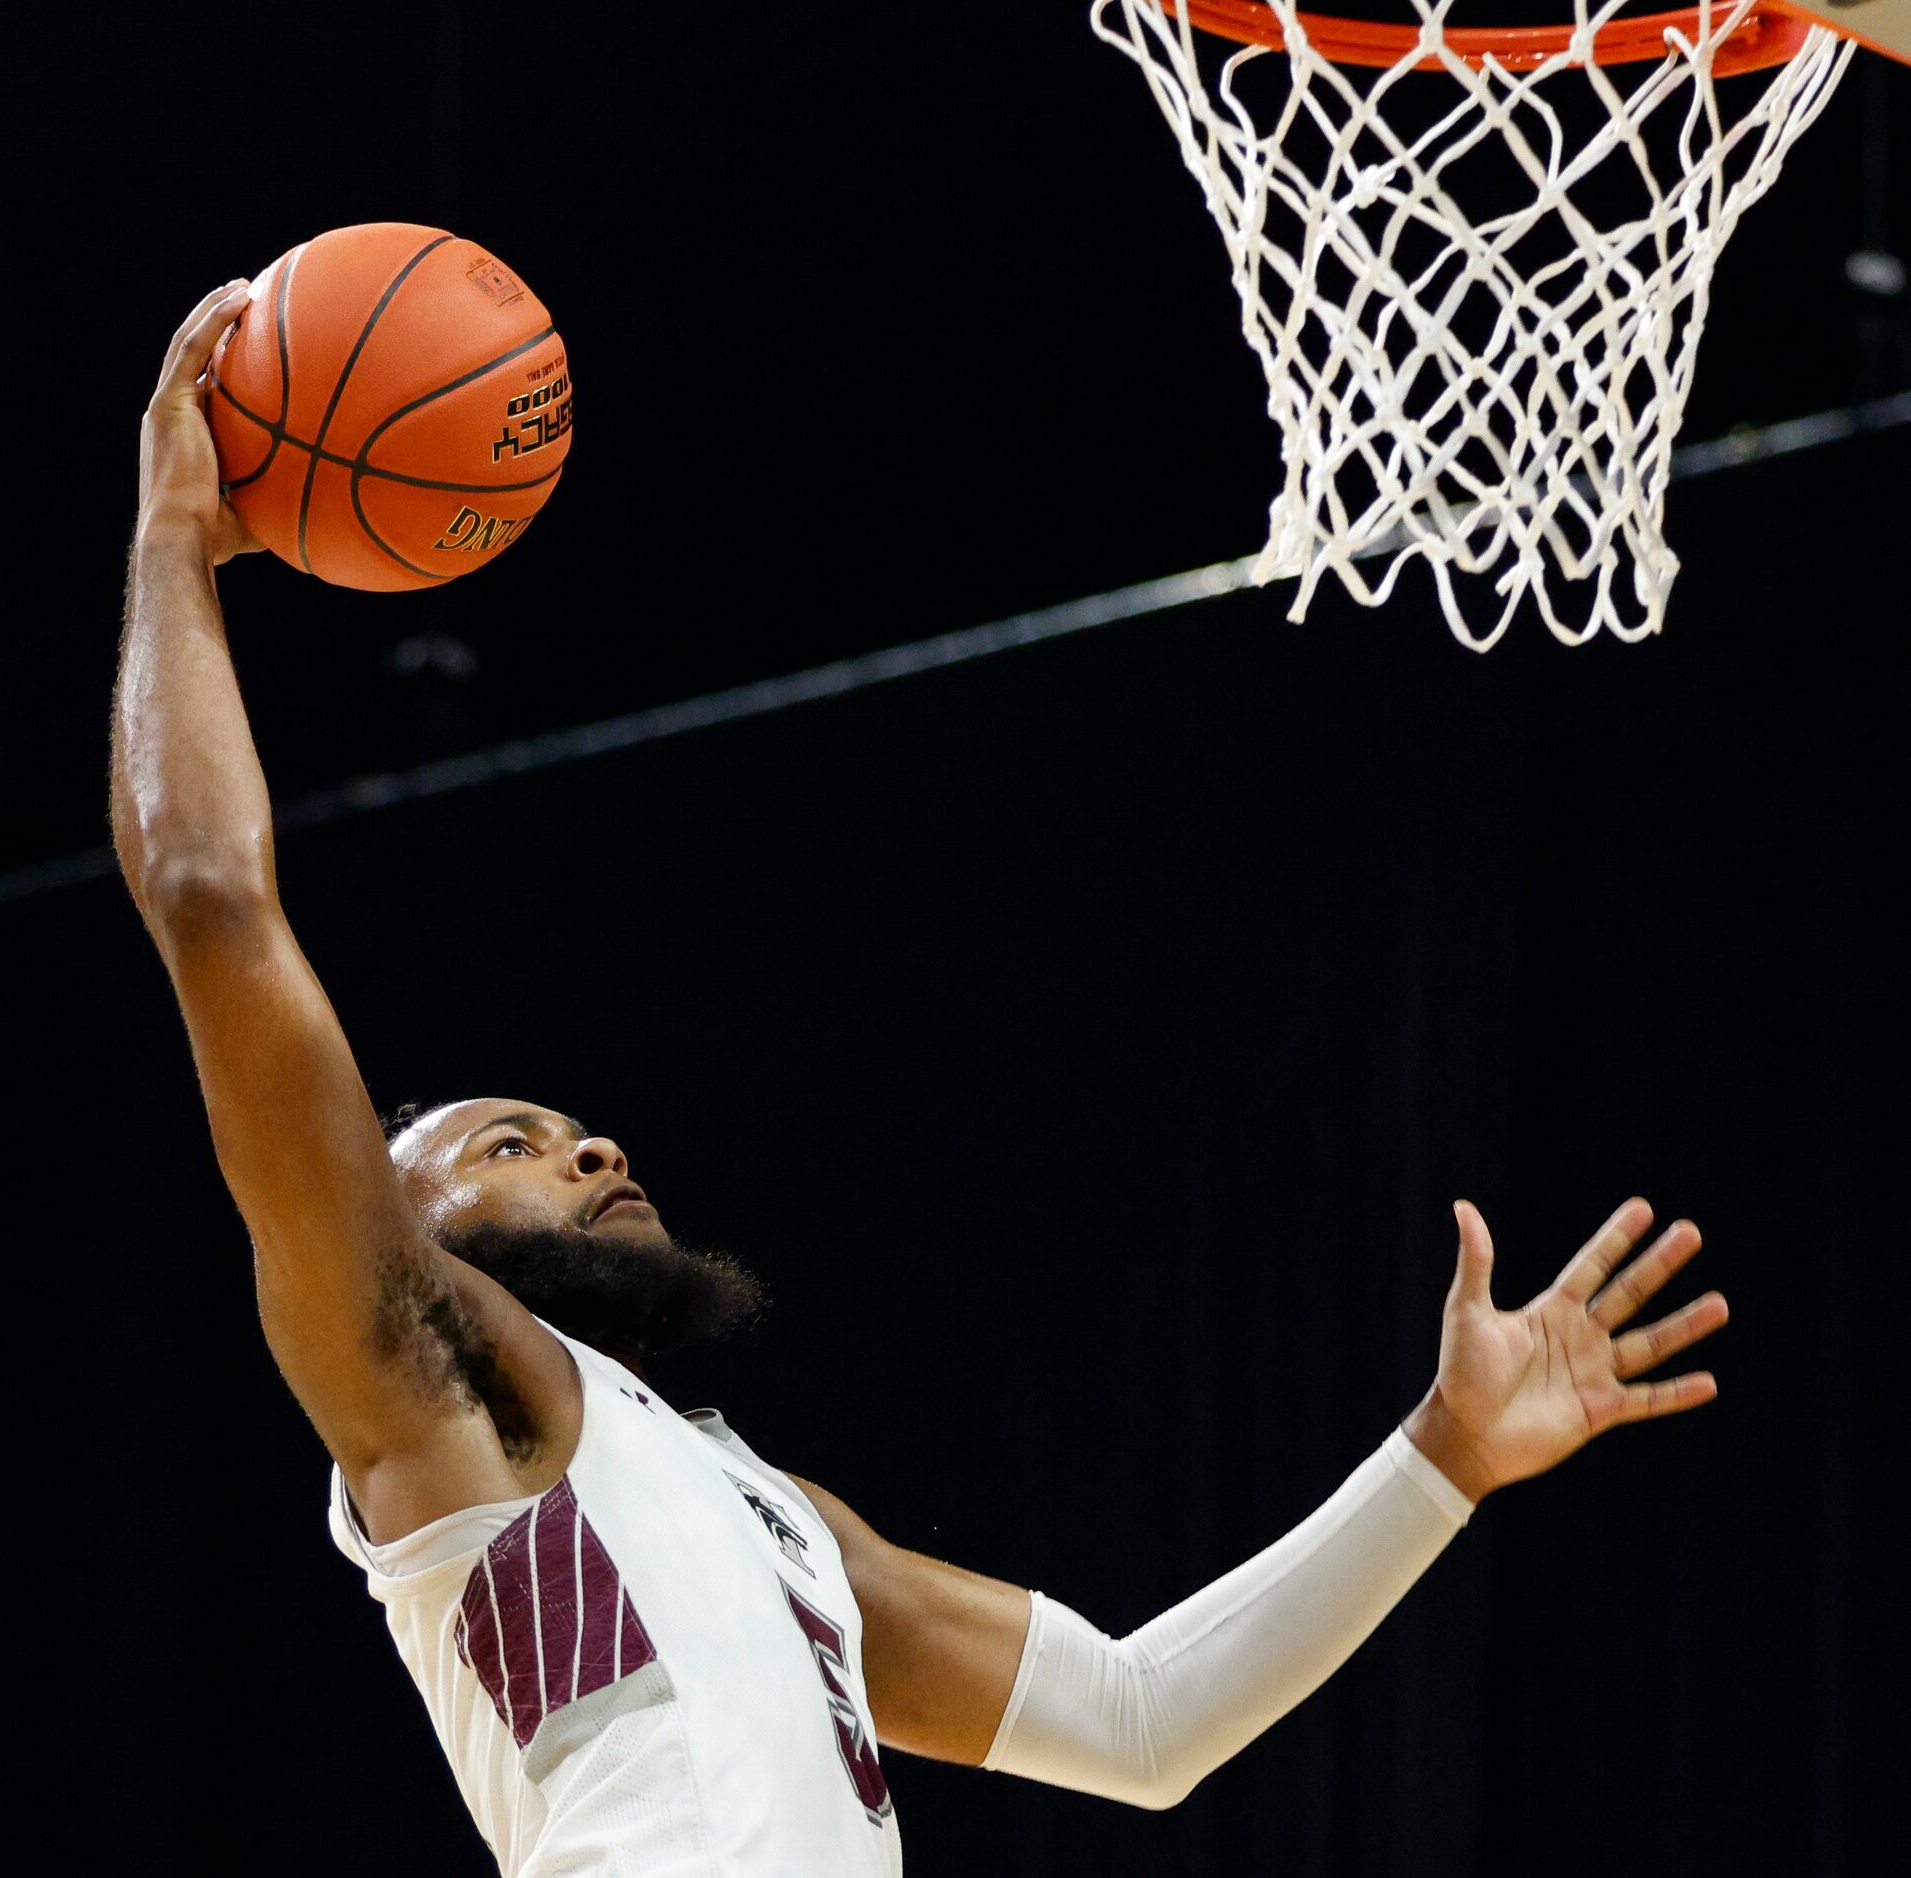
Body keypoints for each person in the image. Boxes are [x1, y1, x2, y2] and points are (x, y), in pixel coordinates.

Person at [116, 281, 1730, 1878]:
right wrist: (178, 539)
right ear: (402, 1220)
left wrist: (1439, 1453)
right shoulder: (425, 1370)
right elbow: (208, 897)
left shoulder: (772, 1515)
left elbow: (1142, 1717)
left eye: (567, 1124)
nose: (591, 1142)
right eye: (513, 1142)